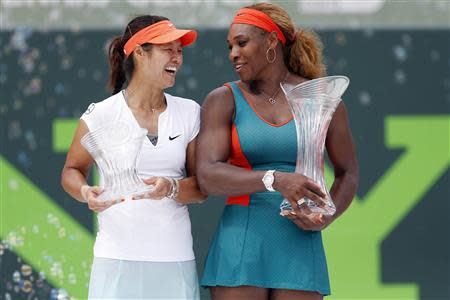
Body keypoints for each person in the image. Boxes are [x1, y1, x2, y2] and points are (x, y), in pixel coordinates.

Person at [197, 3, 359, 300]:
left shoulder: (322, 100)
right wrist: (276, 180)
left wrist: (327, 216)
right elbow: (207, 175)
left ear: (271, 41)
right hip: (241, 240)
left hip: (300, 238)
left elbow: (348, 172)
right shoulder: (223, 99)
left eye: (242, 43)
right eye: (230, 46)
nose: (233, 53)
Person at [61, 15, 206, 299]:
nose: (177, 57)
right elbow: (71, 170)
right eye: (169, 49)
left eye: (180, 50)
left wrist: (171, 187)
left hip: (174, 259)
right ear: (140, 52)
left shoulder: (190, 112)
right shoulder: (100, 114)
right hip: (115, 259)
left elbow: (200, 188)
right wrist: (85, 191)